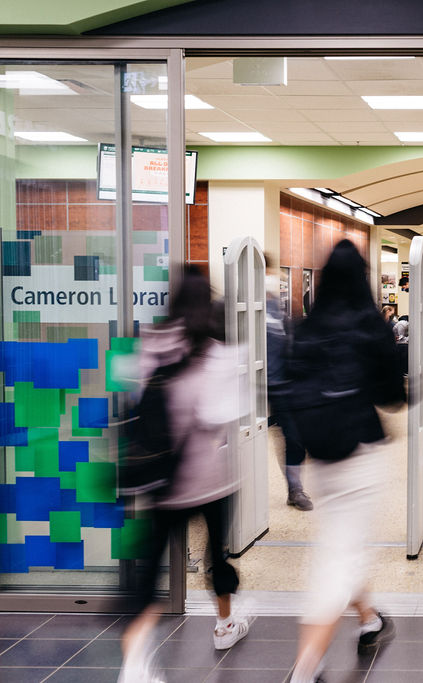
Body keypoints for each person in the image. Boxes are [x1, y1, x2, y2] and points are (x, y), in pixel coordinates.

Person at [118, 267, 250, 683]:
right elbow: (220, 414)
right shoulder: (216, 352)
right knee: (218, 555)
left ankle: (134, 665)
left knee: (150, 565)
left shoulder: (149, 344)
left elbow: (127, 392)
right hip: (210, 479)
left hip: (161, 481)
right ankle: (225, 625)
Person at [286, 240, 404, 683]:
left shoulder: (308, 325)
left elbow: (292, 385)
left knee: (343, 537)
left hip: (322, 454)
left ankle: (369, 618)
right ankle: (306, 666)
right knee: (338, 556)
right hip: (360, 451)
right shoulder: (370, 324)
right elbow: (392, 396)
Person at [266, 256, 312, 511]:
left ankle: (295, 489)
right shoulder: (234, 306)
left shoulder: (277, 307)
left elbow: (289, 340)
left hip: (282, 384)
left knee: (294, 438)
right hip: (249, 384)